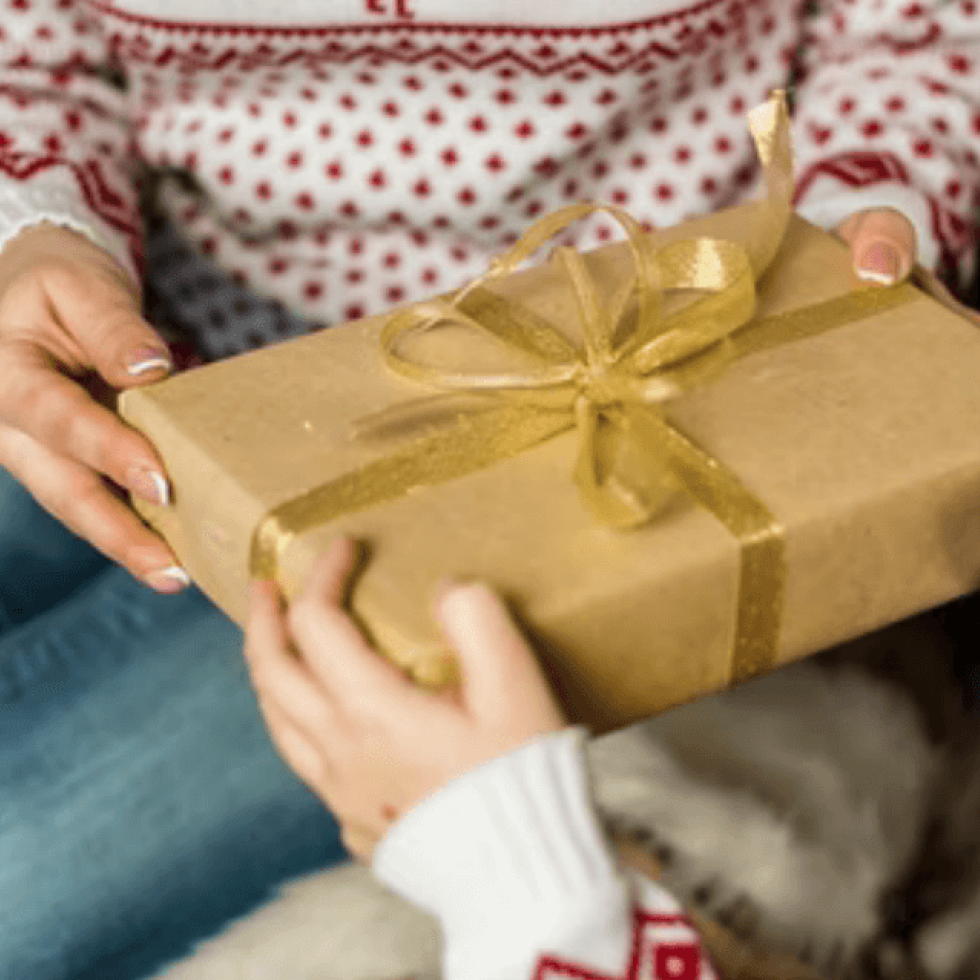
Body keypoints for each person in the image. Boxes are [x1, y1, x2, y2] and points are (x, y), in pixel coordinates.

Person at [1, 1, 979, 978]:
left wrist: (870, 212)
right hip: (151, 364)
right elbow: (36, 45)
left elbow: (919, 34)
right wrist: (37, 229)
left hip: (657, 391)